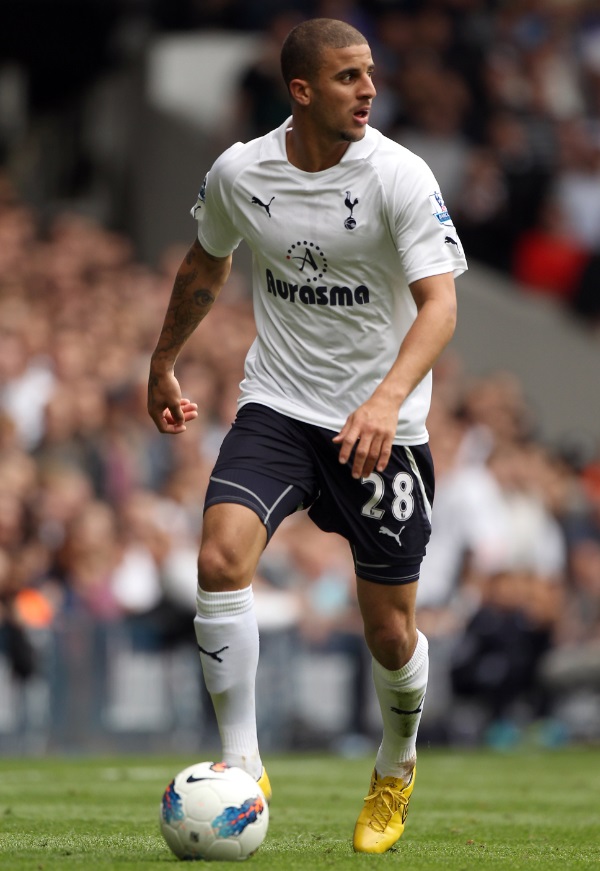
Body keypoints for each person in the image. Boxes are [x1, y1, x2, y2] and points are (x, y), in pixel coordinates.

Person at [147, 17, 467, 854]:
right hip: (281, 406)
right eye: (349, 76)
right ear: (301, 90)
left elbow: (440, 305)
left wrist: (385, 401)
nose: (369, 90)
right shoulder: (240, 172)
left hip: (383, 428)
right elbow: (205, 262)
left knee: (390, 632)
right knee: (220, 556)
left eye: (370, 74)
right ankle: (243, 762)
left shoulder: (399, 174)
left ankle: (395, 765)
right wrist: (163, 362)